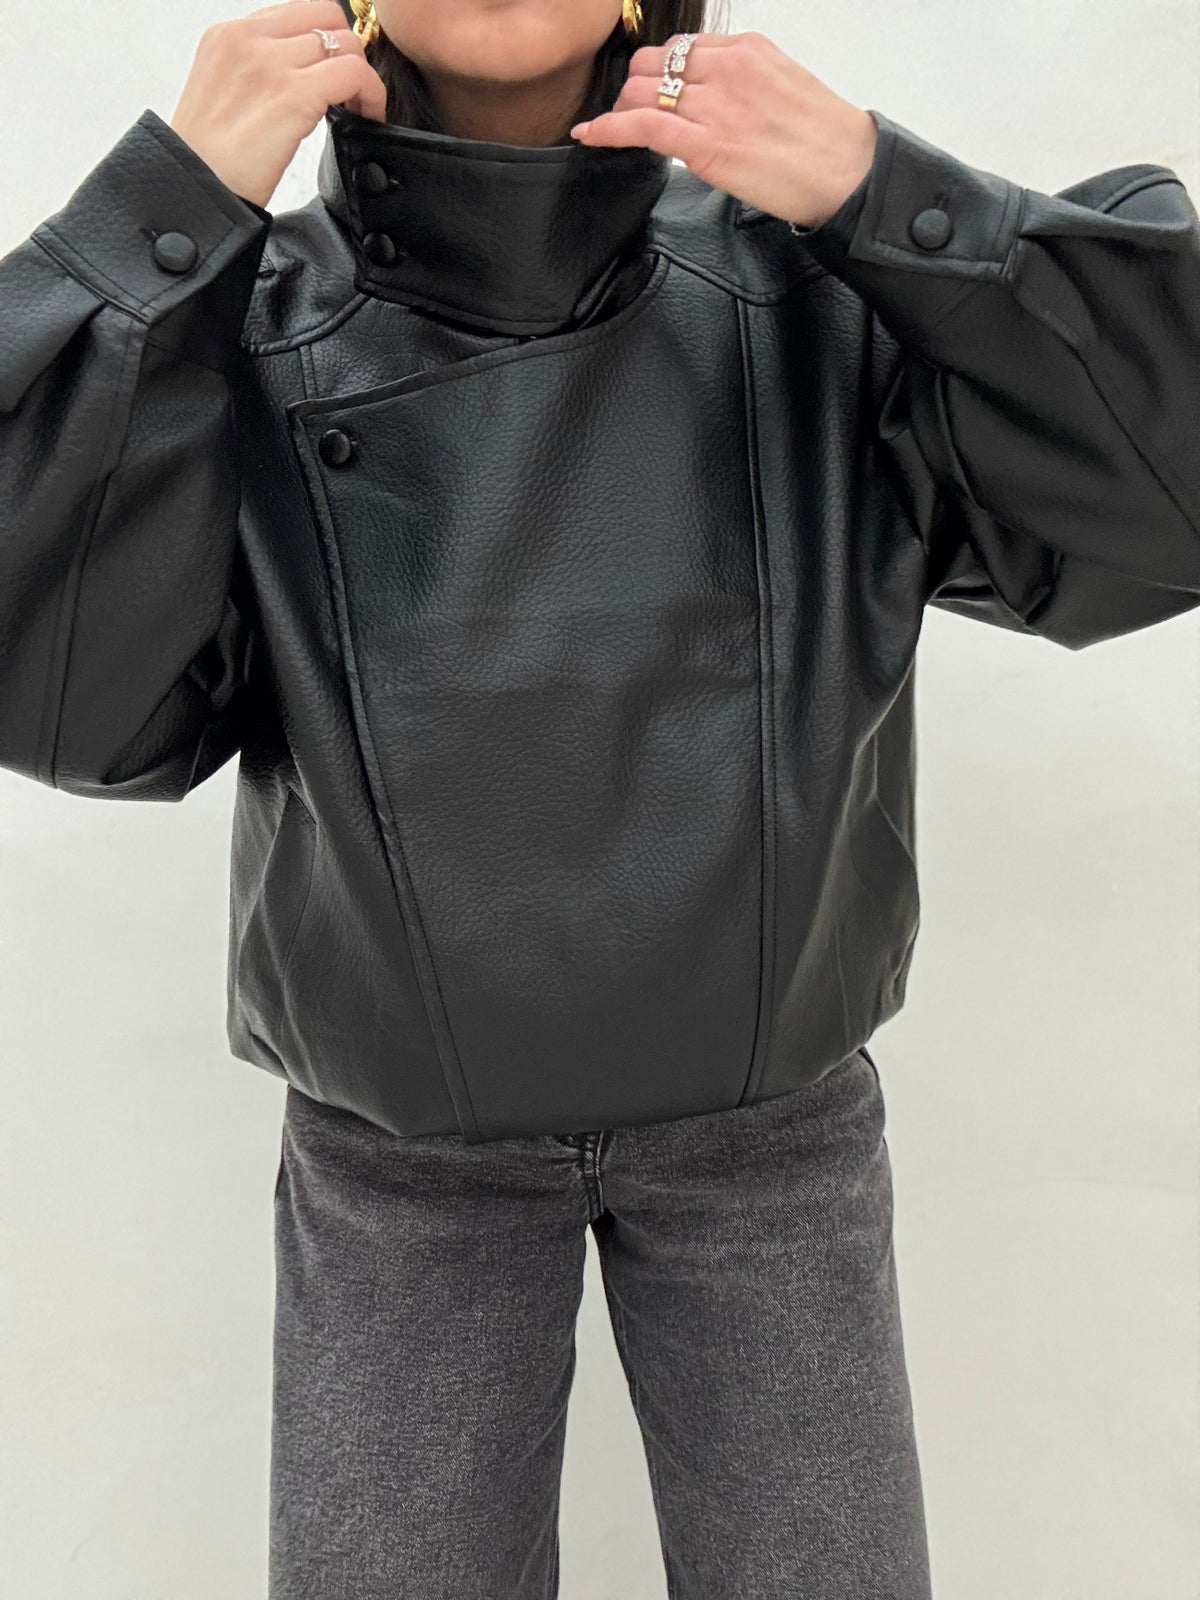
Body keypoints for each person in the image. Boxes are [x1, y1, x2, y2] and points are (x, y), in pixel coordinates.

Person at [1, 1, 1197, 1594]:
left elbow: (1168, 494)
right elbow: (68, 700)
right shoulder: (239, 318)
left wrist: (887, 193)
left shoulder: (817, 284)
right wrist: (160, 212)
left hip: (771, 1134)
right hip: (399, 1155)